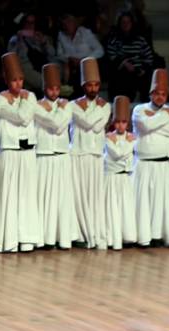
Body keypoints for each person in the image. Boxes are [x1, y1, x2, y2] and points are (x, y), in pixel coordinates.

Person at [0, 52, 42, 252]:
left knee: (27, 194)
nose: (18, 84)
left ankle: (28, 237)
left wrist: (24, 101)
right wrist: (22, 104)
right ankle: (10, 239)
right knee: (9, 194)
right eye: (14, 80)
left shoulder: (30, 96)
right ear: (6, 80)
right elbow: (20, 116)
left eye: (21, 80)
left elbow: (24, 116)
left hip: (27, 152)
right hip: (9, 150)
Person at [133, 68, 169, 247]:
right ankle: (142, 236)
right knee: (143, 201)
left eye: (163, 94)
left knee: (162, 201)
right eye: (157, 94)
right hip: (144, 163)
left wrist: (156, 120)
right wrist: (162, 118)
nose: (160, 97)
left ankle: (158, 235)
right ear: (151, 94)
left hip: (164, 163)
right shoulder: (139, 109)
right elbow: (144, 126)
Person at [34, 63, 75, 250]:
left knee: (61, 198)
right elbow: (54, 123)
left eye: (57, 88)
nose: (55, 92)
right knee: (44, 197)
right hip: (44, 155)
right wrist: (58, 110)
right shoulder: (36, 106)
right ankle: (44, 237)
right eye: (51, 88)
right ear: (45, 89)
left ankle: (62, 237)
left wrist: (59, 110)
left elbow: (59, 125)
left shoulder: (67, 106)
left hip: (61, 155)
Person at [71, 58, 110, 248]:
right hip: (78, 154)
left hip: (96, 155)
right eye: (89, 85)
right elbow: (86, 123)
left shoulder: (106, 106)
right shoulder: (73, 105)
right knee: (80, 195)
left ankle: (95, 231)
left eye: (96, 85)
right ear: (83, 85)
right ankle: (80, 233)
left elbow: (97, 125)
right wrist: (90, 114)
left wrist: (89, 114)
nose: (93, 89)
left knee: (94, 195)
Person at [103, 95, 137, 250]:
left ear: (127, 123)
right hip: (111, 178)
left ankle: (126, 236)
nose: (121, 126)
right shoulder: (109, 137)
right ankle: (112, 238)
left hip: (124, 177)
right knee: (112, 208)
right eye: (118, 122)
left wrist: (124, 146)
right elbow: (117, 153)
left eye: (123, 122)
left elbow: (123, 152)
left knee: (125, 207)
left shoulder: (132, 138)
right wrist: (126, 145)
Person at [106, 13, 155, 101]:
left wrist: (143, 69)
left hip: (139, 70)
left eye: (128, 22)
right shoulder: (114, 40)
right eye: (123, 22)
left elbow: (149, 57)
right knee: (121, 77)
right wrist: (124, 63)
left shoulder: (140, 40)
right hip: (121, 69)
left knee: (147, 77)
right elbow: (112, 56)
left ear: (132, 24)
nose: (126, 24)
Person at [7, 13, 56, 94]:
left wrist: (43, 42)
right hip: (26, 68)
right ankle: (52, 87)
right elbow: (11, 58)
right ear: (23, 23)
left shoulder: (38, 36)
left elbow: (52, 54)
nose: (30, 25)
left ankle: (53, 86)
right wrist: (20, 40)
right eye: (27, 22)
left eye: (32, 23)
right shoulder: (15, 39)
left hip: (41, 66)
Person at [56, 14, 104, 85]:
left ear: (74, 22)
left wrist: (83, 60)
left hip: (87, 64)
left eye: (69, 22)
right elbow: (59, 54)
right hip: (70, 65)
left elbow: (100, 50)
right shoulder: (61, 35)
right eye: (64, 24)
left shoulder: (85, 32)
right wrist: (70, 59)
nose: (66, 26)